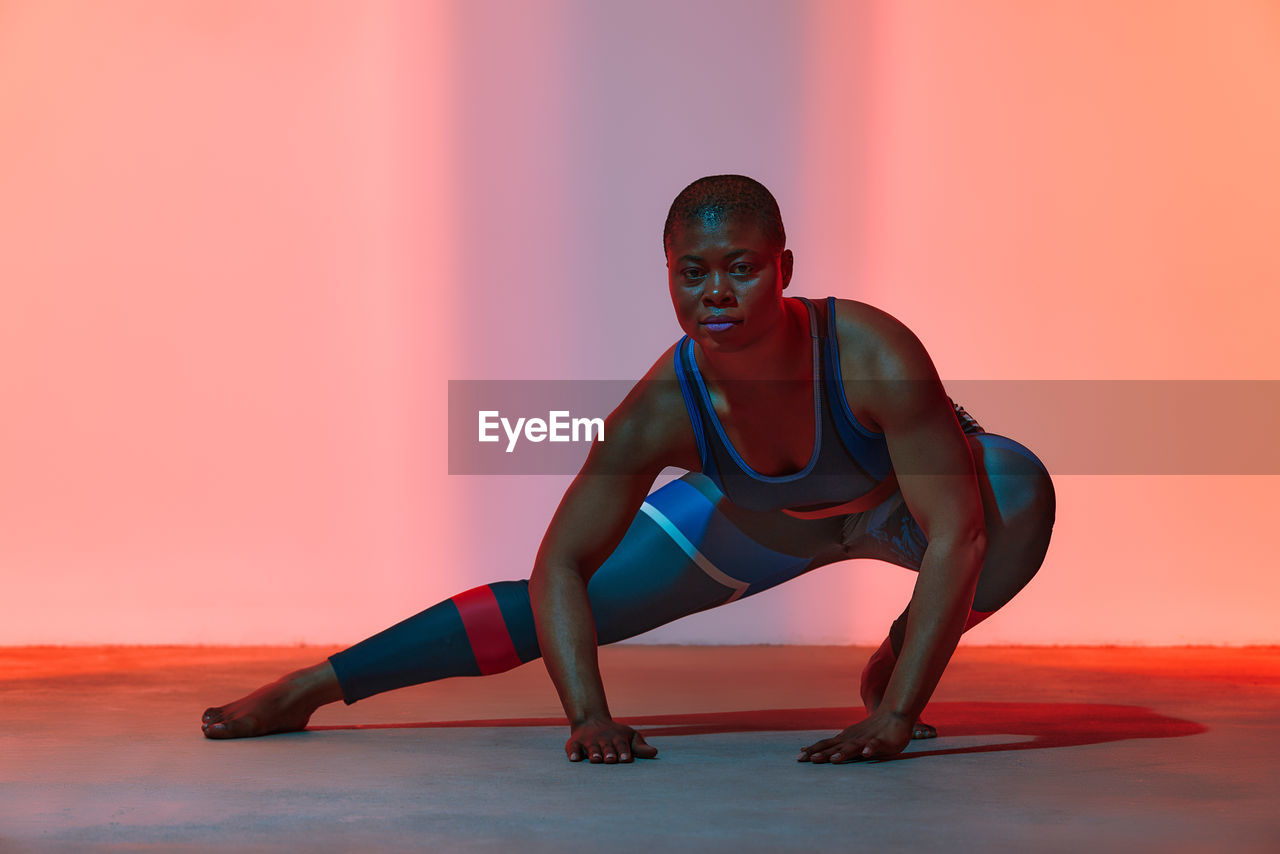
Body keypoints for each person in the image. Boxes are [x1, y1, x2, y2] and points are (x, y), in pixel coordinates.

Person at [202, 175, 1056, 765]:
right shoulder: (659, 409)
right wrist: (589, 716)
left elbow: (958, 533)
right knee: (566, 608)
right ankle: (311, 686)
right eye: (693, 273)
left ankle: (894, 663)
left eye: (741, 268)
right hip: (764, 526)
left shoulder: (872, 353)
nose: (715, 292)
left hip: (898, 507)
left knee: (1015, 491)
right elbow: (560, 568)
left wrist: (899, 716)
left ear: (785, 271)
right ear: (670, 278)